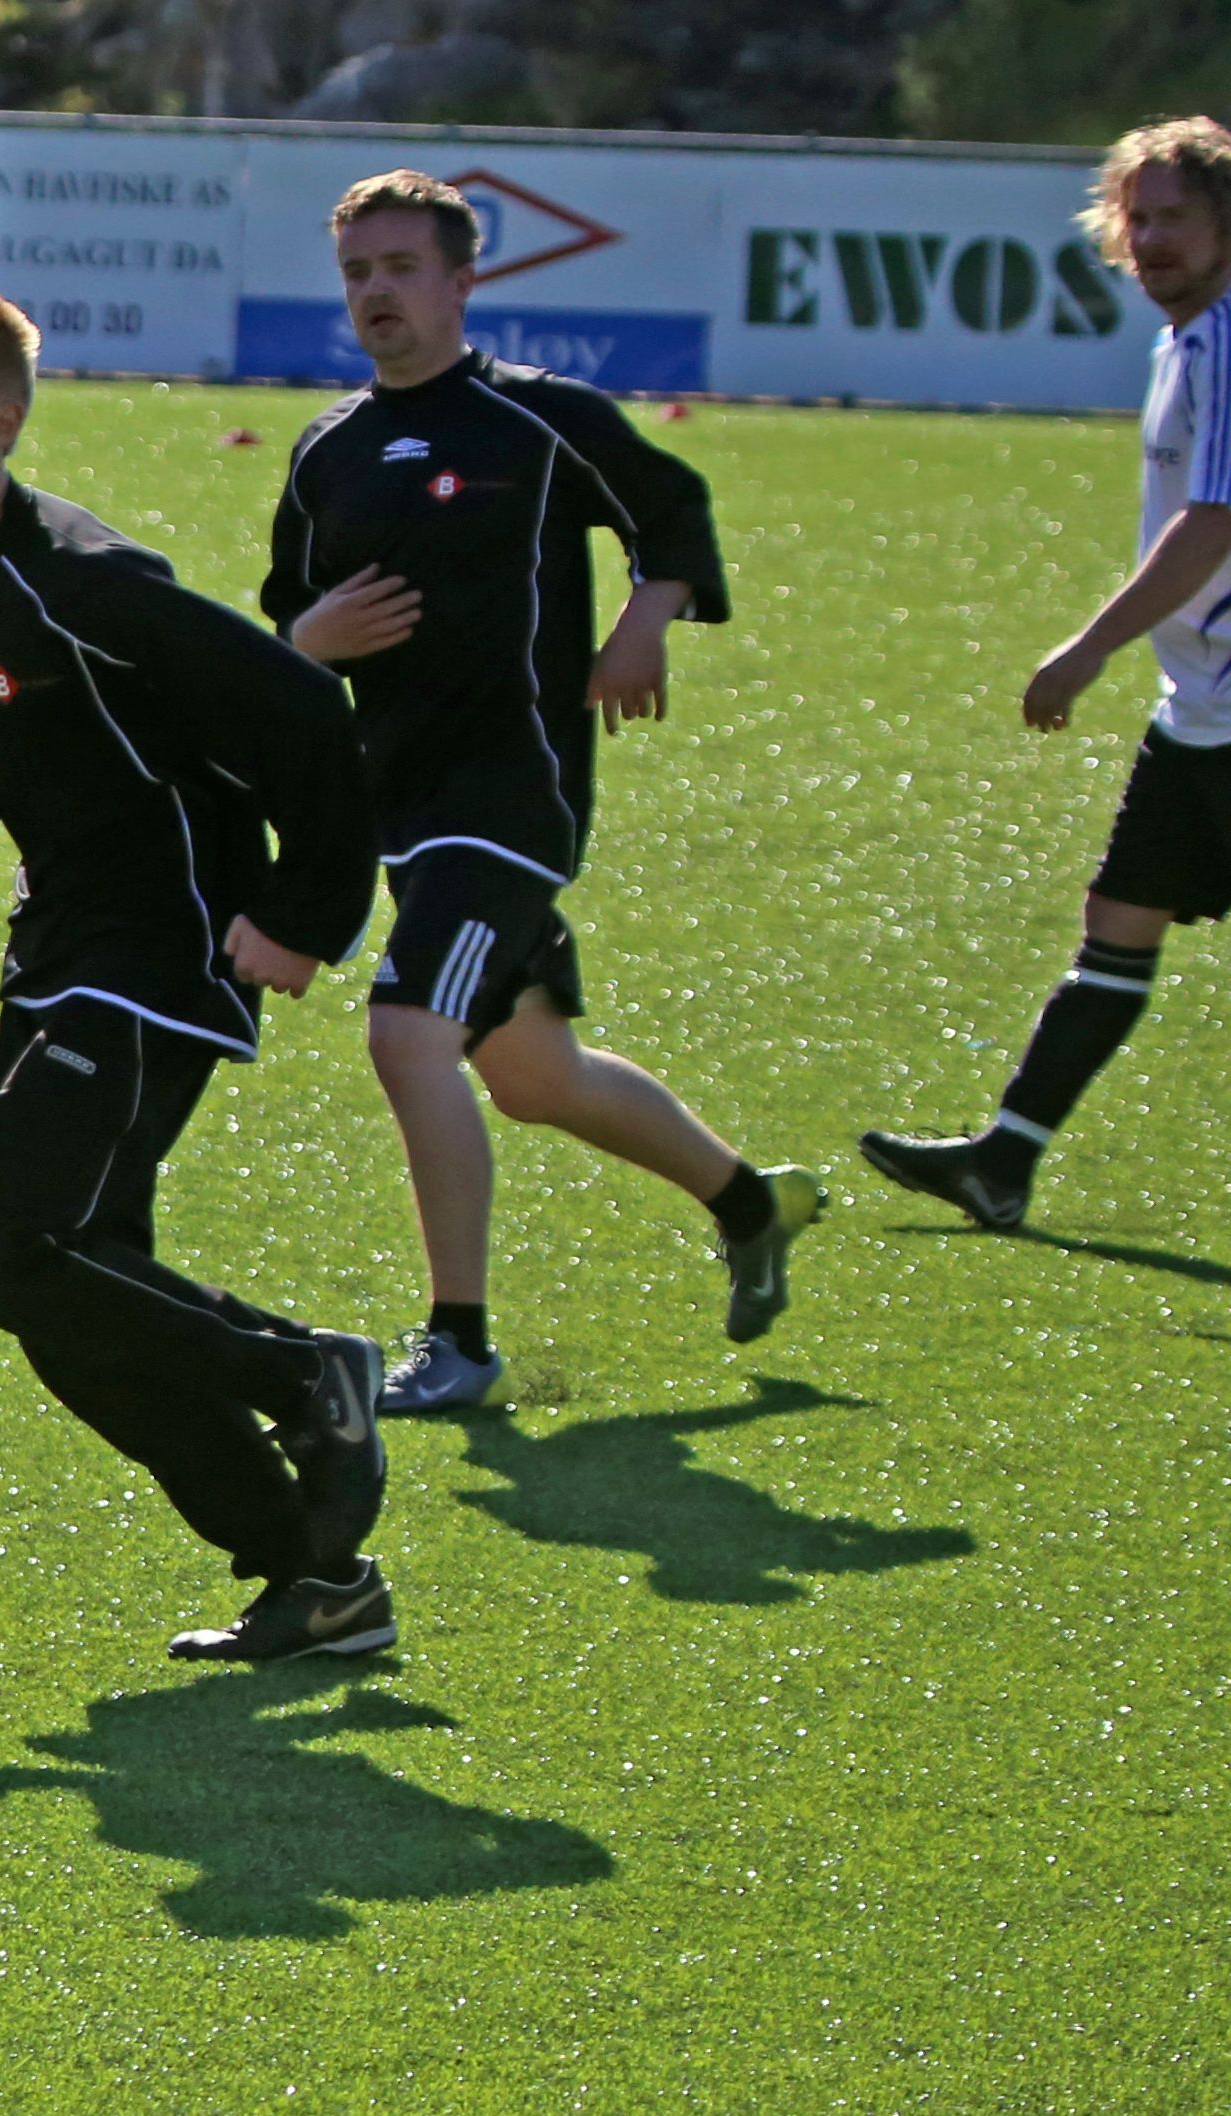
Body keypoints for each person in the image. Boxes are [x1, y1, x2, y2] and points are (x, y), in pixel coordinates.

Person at [0, 280, 400, 1665]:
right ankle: (317, 1581)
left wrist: (304, 912)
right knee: (72, 1304)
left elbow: (306, 715)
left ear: (3, 423)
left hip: (168, 950)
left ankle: (310, 1375)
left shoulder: (91, 580)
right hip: (56, 957)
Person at [261, 170, 823, 1415]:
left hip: (515, 793)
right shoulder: (328, 448)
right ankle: (751, 1202)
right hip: (403, 803)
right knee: (533, 1076)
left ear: (464, 282)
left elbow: (672, 509)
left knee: (407, 1031)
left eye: (403, 269)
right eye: (358, 273)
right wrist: (311, 636)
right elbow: (286, 618)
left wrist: (642, 625)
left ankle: (458, 1342)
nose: (377, 293)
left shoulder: (538, 419)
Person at [863, 119, 1231, 1231]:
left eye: (1176, 218)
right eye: (1138, 217)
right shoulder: (1184, 342)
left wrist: (1090, 645)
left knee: (1123, 920)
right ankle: (1004, 1162)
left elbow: (1213, 522)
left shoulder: (1226, 343)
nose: (1152, 239)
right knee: (1120, 919)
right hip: (1202, 708)